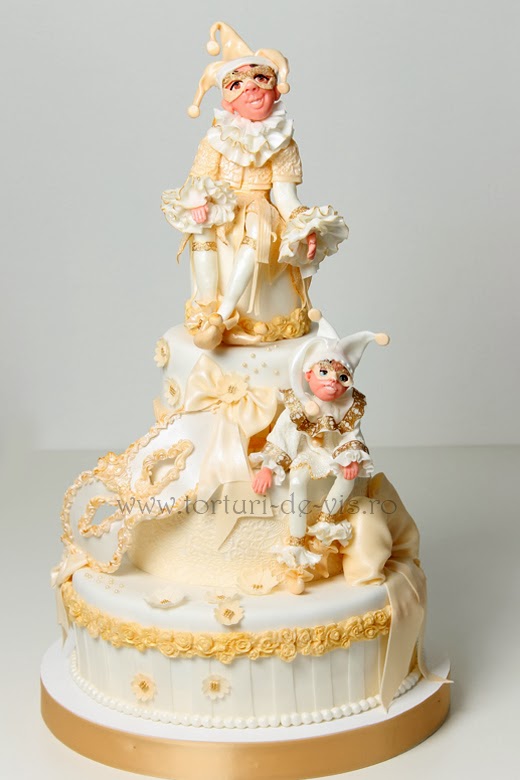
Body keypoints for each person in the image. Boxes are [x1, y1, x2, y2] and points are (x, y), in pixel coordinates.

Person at [161, 22, 349, 349]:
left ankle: (226, 312)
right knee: (201, 229)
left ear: (276, 91)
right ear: (228, 102)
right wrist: (198, 201)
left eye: (261, 79)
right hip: (222, 204)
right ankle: (206, 308)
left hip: (259, 206)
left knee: (258, 228)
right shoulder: (216, 139)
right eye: (237, 84)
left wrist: (305, 225)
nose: (251, 89)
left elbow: (285, 197)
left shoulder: (283, 143)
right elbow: (198, 181)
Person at [251, 317, 389, 573]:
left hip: (333, 453)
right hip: (308, 453)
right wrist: (268, 468)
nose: (332, 382)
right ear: (308, 374)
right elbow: (282, 435)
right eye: (324, 373)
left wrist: (351, 457)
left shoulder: (346, 409)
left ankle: (327, 520)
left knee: (348, 477)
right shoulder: (300, 406)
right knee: (297, 481)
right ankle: (296, 540)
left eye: (342, 377)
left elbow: (352, 435)